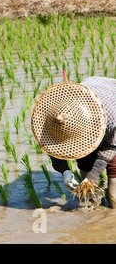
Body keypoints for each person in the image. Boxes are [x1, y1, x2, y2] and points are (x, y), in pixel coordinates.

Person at [31, 75, 116, 207]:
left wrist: (95, 172)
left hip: (110, 104)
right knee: (84, 160)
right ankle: (93, 208)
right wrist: (65, 171)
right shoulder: (51, 114)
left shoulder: (112, 115)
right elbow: (51, 145)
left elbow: (112, 145)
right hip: (83, 106)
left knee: (113, 169)